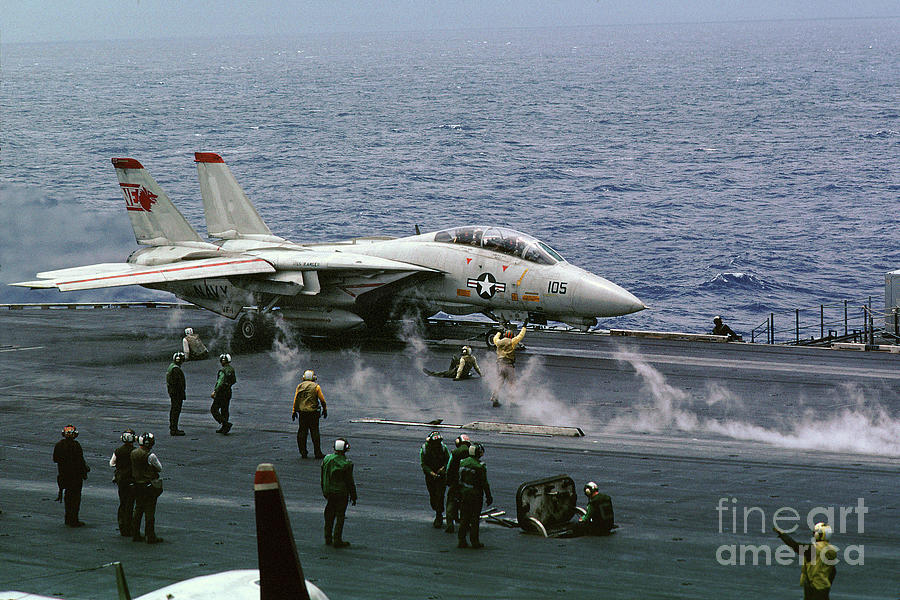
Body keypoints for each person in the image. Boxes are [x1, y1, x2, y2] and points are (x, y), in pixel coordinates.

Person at [773, 522, 838, 599]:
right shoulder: (832, 550)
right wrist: (826, 582)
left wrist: (782, 535)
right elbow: (833, 571)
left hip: (813, 587)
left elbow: (795, 546)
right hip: (824, 587)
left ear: (819, 534)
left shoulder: (813, 549)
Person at [321, 438, 357, 548]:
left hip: (329, 492)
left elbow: (323, 476)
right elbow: (349, 481)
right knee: (340, 515)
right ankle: (337, 539)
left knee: (329, 515)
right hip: (341, 493)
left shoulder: (327, 459)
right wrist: (353, 495)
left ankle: (328, 537)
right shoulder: (346, 464)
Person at [52, 424, 90, 527]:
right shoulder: (76, 445)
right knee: (75, 498)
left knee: (68, 497)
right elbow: (80, 461)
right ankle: (74, 519)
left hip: (64, 475)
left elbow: (55, 459)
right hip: (75, 476)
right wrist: (84, 472)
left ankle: (68, 518)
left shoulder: (58, 445)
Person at [457, 443, 493, 549]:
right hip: (475, 495)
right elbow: (484, 483)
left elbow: (458, 479)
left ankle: (461, 540)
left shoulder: (462, 462)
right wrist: (489, 496)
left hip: (463, 493)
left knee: (464, 517)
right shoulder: (480, 466)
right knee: (474, 519)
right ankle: (474, 541)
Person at [131, 432, 164, 543]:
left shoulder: (133, 453)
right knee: (149, 511)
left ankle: (135, 534)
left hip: (137, 484)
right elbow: (159, 468)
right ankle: (150, 536)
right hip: (148, 486)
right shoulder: (151, 456)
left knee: (138, 509)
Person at [292, 369, 327, 459]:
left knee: (302, 432)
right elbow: (322, 400)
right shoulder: (316, 387)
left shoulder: (299, 386)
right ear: (313, 378)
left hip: (302, 413)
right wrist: (325, 409)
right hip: (313, 413)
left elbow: (296, 399)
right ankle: (317, 453)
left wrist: (294, 411)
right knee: (315, 432)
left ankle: (303, 452)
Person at [489, 324, 526, 407]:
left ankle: (495, 398)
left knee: (499, 382)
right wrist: (524, 327)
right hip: (508, 365)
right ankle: (512, 400)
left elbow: (495, 339)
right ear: (511, 336)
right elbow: (520, 336)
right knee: (512, 383)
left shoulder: (499, 342)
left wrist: (498, 332)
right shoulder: (512, 342)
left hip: (499, 365)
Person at [419, 431, 451, 528]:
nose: (437, 445)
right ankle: (436, 508)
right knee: (433, 495)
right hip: (430, 476)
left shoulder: (443, 448)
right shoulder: (424, 449)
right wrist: (431, 473)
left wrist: (443, 468)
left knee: (440, 495)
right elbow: (423, 464)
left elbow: (448, 461)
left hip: (441, 477)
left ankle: (439, 516)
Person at [109, 429, 137, 536]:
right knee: (130, 504)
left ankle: (122, 526)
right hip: (131, 480)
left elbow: (112, 463)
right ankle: (129, 527)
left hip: (121, 480)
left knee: (122, 503)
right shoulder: (135, 451)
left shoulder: (118, 450)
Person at [444, 433, 472, 534]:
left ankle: (450, 524)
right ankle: (466, 524)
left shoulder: (455, 453)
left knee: (451, 502)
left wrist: (448, 480)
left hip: (455, 482)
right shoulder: (471, 452)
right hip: (467, 483)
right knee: (466, 504)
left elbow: (449, 467)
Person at [210, 353, 236, 434]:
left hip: (221, 392)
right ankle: (224, 427)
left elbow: (220, 382)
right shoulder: (231, 369)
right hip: (228, 391)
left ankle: (225, 424)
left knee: (214, 409)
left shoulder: (222, 371)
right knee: (225, 409)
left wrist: (215, 391)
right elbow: (234, 381)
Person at [166, 352, 186, 436]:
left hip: (172, 392)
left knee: (173, 410)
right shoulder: (176, 370)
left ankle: (173, 428)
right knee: (176, 411)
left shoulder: (171, 367)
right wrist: (182, 394)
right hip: (177, 393)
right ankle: (174, 429)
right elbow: (179, 384)